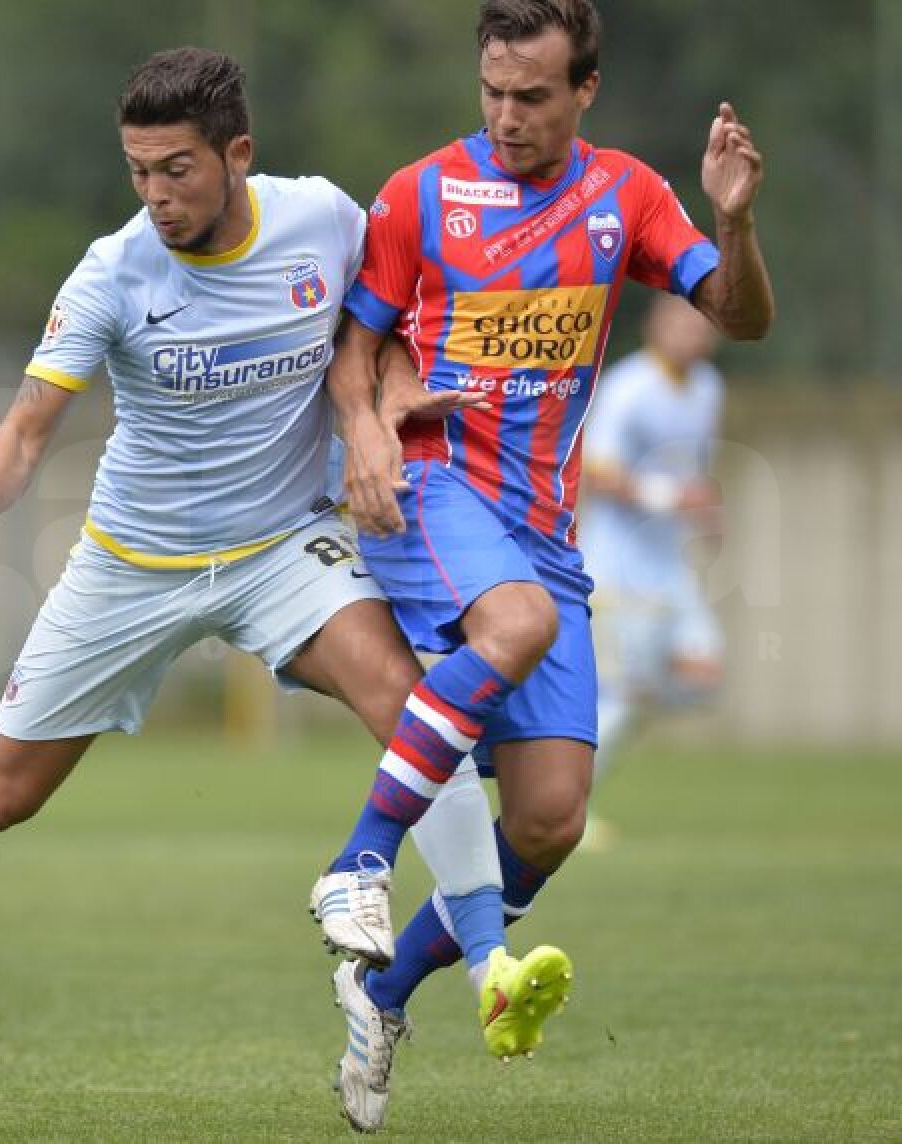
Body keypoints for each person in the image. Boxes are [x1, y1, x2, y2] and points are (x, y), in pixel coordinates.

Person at [0, 48, 507, 1008]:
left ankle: (489, 967)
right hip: (134, 565)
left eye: (177, 169)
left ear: (237, 154)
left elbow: (371, 338)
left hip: (282, 550)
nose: (156, 196)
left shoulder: (327, 222)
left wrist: (389, 401)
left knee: (414, 710)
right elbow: (24, 428)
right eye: (138, 172)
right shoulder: (113, 274)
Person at [315, 0, 774, 1131]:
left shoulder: (631, 195)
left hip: (544, 532)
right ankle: (357, 864)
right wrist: (370, 433)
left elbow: (741, 315)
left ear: (586, 93)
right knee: (510, 629)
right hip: (433, 489)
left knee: (552, 819)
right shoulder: (420, 193)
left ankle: (380, 989)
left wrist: (737, 221)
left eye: (532, 96)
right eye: (492, 93)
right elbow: (356, 342)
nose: (507, 116)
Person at [579, 295, 726, 819]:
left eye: (700, 325)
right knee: (622, 694)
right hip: (619, 567)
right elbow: (596, 472)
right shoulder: (629, 387)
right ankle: (568, 804)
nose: (693, 334)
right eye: (680, 322)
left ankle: (557, 773)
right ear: (655, 327)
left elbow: (694, 471)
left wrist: (706, 511)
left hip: (671, 566)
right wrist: (669, 497)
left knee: (701, 674)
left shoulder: (709, 387)